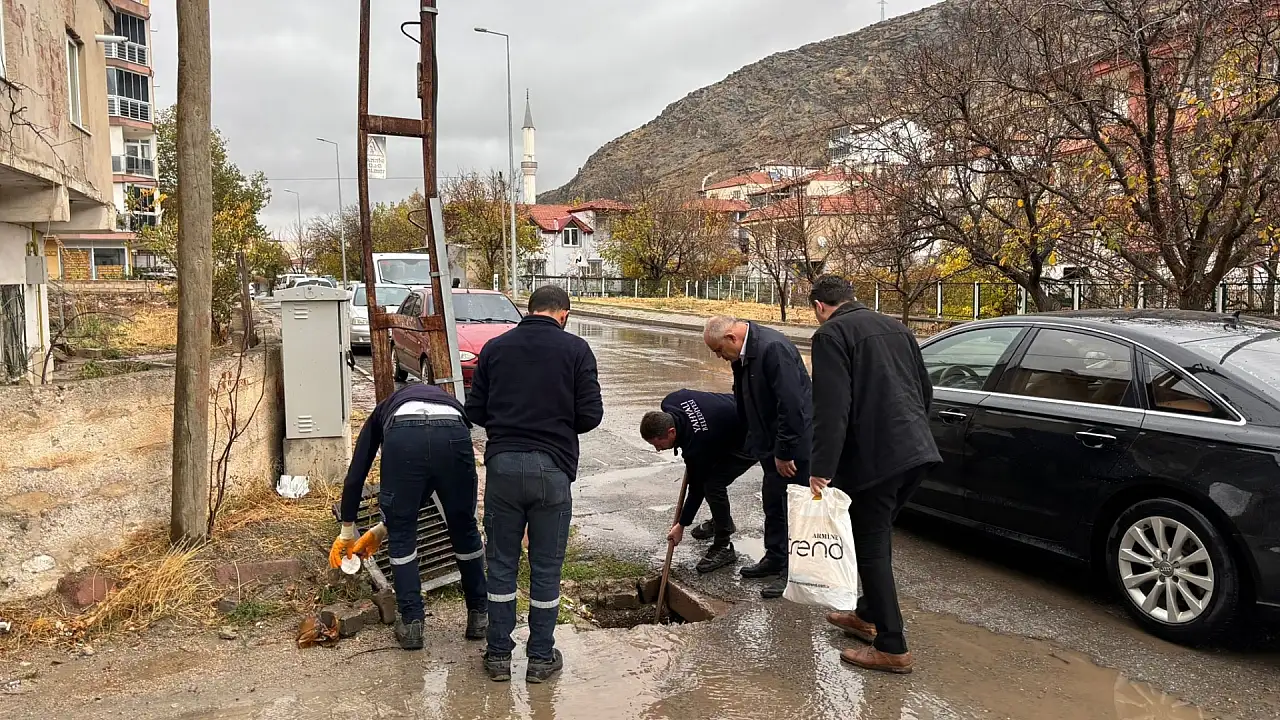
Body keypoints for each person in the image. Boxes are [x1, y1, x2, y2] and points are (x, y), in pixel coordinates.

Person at [465, 284, 604, 683]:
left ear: (530, 310)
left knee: (502, 564)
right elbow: (591, 415)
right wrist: (557, 422)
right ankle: (541, 659)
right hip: (552, 469)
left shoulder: (495, 348)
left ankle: (497, 656)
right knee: (546, 567)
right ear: (564, 313)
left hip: (503, 468)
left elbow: (475, 409)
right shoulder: (576, 350)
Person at [806, 275, 941, 675]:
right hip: (916, 452)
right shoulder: (897, 327)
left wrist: (821, 470)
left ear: (819, 307)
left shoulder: (831, 334)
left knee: (872, 546)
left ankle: (892, 646)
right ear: (851, 298)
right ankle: (865, 615)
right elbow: (925, 390)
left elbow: (832, 409)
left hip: (876, 461)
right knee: (876, 534)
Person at [331, 382, 487, 651]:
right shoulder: (447, 402)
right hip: (454, 431)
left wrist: (347, 528)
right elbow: (430, 477)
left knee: (403, 535)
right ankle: (479, 616)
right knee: (464, 527)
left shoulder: (383, 411)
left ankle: (412, 623)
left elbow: (357, 473)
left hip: (404, 438)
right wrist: (382, 528)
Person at [703, 315, 813, 599]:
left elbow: (791, 404)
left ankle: (794, 574)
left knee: (793, 509)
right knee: (773, 502)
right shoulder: (744, 353)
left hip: (791, 447)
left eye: (718, 350)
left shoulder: (772, 349)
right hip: (768, 442)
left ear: (731, 338)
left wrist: (786, 451)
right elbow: (746, 396)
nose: (718, 357)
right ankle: (775, 557)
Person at [640, 389, 758, 574]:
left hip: (752, 436)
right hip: (727, 423)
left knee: (712, 484)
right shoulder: (672, 400)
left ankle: (723, 545)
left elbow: (696, 489)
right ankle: (722, 520)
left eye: (658, 444)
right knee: (710, 478)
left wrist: (681, 525)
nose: (658, 449)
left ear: (671, 432)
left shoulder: (699, 444)